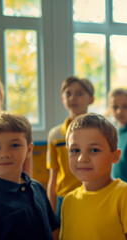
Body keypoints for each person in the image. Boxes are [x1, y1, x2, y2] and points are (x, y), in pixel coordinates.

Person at [0, 112, 59, 239]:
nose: (5, 154)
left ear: (28, 149)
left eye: (14, 145)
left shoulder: (37, 188)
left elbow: (54, 229)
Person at [60, 113, 127, 240]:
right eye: (75, 150)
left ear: (115, 156)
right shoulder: (68, 201)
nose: (82, 158)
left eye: (94, 150)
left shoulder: (125, 195)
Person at [46, 76, 94, 218]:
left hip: (92, 195)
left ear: (91, 99)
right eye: (68, 93)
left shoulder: (99, 132)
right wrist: (51, 211)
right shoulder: (55, 135)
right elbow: (53, 176)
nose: (73, 97)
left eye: (79, 93)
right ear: (62, 99)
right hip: (64, 197)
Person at [106, 88, 127, 186]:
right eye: (115, 107)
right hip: (116, 190)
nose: (119, 111)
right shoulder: (113, 134)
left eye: (125, 107)